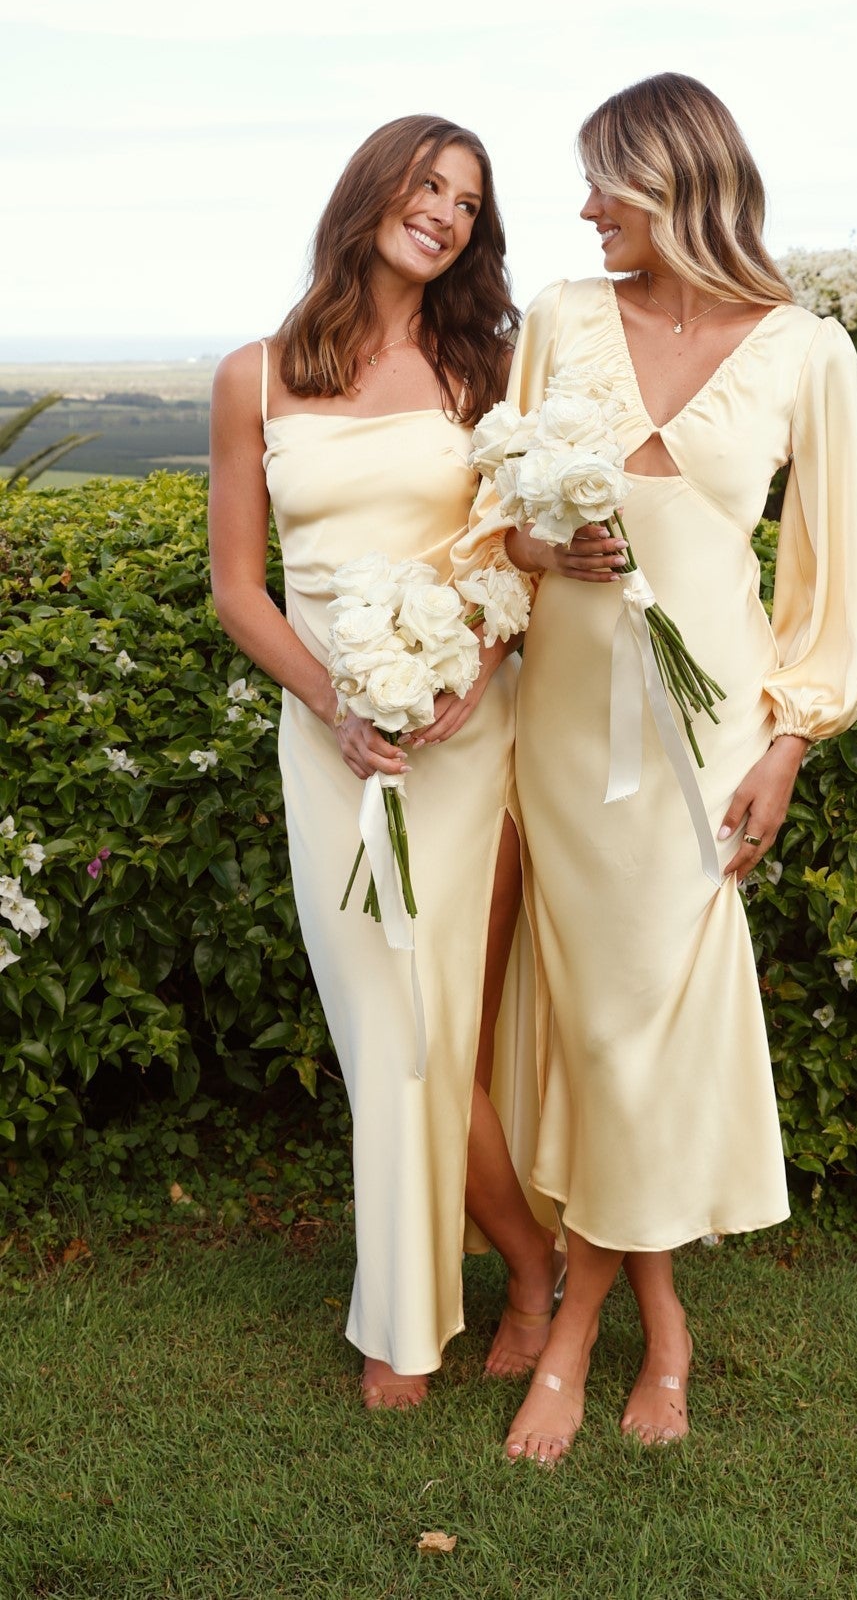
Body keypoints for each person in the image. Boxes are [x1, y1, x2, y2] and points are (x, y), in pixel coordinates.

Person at [456, 72, 857, 1464]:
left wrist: (790, 744)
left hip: (703, 742)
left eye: (604, 184)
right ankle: (659, 1322)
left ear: (678, 182)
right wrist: (539, 547)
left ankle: (579, 1330)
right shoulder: (569, 322)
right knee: (594, 1023)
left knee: (640, 1017)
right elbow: (490, 520)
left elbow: (831, 583)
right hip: (563, 726)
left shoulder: (807, 351)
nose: (581, 210)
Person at [208, 116, 557, 1412]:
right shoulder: (253, 376)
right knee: (381, 1035)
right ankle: (513, 1273)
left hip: (463, 739)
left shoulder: (485, 372)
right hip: (328, 745)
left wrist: (462, 677)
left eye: (469, 201)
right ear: (372, 194)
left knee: (430, 1036)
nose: (449, 212)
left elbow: (510, 554)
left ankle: (446, 1309)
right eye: (429, 185)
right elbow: (240, 589)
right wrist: (333, 704)